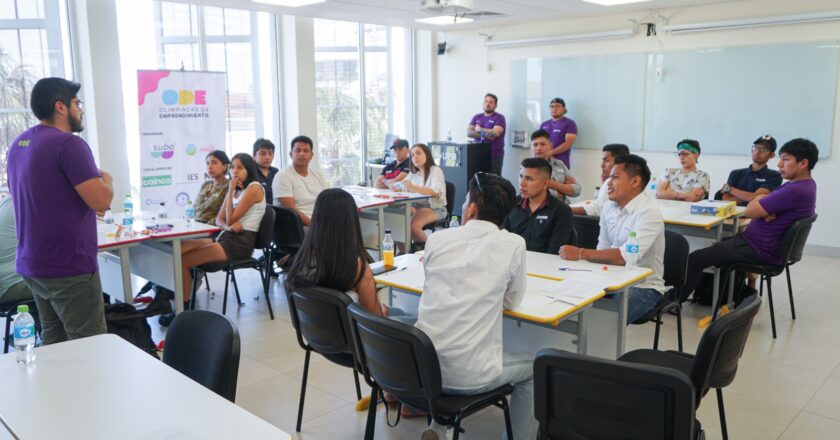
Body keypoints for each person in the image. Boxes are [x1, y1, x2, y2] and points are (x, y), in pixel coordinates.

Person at [415, 172, 534, 440]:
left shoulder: (437, 239)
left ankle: (439, 427)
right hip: (470, 376)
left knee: (436, 327)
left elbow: (435, 285)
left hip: (422, 368)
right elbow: (512, 301)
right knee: (533, 370)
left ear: (471, 208)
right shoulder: (514, 244)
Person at [6, 77, 112, 344]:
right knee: (90, 345)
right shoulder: (69, 145)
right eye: (77, 103)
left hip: (33, 264)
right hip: (68, 267)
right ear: (61, 107)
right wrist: (107, 180)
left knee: (54, 341)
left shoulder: (18, 145)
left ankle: (57, 388)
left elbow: (46, 195)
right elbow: (101, 202)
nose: (81, 109)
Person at [681, 138, 818, 305]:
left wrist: (758, 201)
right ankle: (727, 295)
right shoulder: (806, 185)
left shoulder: (794, 190)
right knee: (718, 244)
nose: (780, 164)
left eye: (786, 159)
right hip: (760, 246)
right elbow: (754, 203)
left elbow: (750, 210)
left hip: (756, 249)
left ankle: (674, 301)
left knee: (695, 258)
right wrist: (761, 202)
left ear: (803, 163)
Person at [558, 154, 668, 323]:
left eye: (615, 177)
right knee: (566, 300)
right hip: (610, 279)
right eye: (610, 177)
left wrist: (580, 253)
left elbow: (625, 257)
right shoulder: (609, 207)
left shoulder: (649, 212)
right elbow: (602, 250)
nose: (608, 182)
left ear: (635, 181)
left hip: (642, 287)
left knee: (602, 322)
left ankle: (593, 348)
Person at [159, 153, 266, 326]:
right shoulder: (237, 189)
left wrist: (230, 191)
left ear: (249, 169)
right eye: (232, 167)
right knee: (177, 251)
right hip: (226, 236)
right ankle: (166, 298)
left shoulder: (254, 188)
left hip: (240, 242)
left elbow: (230, 218)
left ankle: (182, 312)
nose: (234, 171)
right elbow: (220, 220)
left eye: (240, 167)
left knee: (183, 261)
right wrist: (228, 226)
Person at [285, 188, 386, 317]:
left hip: (319, 334)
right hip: (354, 334)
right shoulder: (357, 265)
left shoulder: (303, 259)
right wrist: (382, 309)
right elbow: (374, 316)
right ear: (351, 220)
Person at [503, 158, 573, 255]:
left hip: (544, 267)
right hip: (513, 263)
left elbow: (554, 253)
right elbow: (502, 241)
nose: (522, 184)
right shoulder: (511, 203)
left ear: (545, 183)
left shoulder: (561, 211)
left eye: (529, 179)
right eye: (521, 176)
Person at [390, 143, 447, 244]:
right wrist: (394, 186)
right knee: (396, 221)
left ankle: (425, 253)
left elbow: (435, 192)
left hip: (435, 209)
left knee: (413, 227)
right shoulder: (413, 173)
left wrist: (412, 187)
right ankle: (404, 253)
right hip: (415, 207)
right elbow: (402, 185)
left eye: (418, 153)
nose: (415, 156)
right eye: (412, 155)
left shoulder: (435, 170)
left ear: (427, 155)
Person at [273, 135, 329, 226]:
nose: (302, 154)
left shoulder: (318, 175)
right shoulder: (282, 176)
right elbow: (291, 210)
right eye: (298, 150)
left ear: (311, 155)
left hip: (319, 222)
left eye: (306, 151)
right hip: (297, 225)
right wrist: (315, 226)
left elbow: (327, 202)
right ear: (291, 154)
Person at [718, 135, 783, 205]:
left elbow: (756, 198)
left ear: (771, 155)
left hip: (756, 214)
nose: (758, 151)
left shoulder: (775, 175)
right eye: (756, 147)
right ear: (752, 150)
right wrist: (749, 197)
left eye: (764, 149)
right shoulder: (735, 173)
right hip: (733, 213)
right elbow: (726, 199)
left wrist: (730, 189)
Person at [572, 143, 630, 216]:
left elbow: (597, 209)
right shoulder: (629, 178)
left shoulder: (611, 181)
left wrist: (566, 209)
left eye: (606, 160)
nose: (602, 165)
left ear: (620, 162)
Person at [531, 129, 581, 202]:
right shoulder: (527, 167)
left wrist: (554, 185)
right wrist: (564, 189)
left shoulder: (559, 164)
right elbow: (539, 196)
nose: (538, 148)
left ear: (550, 146)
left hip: (564, 207)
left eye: (542, 144)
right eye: (535, 145)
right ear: (531, 147)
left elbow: (577, 190)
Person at [0, 197, 32, 304]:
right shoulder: (26, 204)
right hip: (15, 284)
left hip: (6, 284)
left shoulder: (7, 202)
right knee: (75, 285)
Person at [467, 93, 506, 175]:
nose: (488, 104)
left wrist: (480, 129)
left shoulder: (499, 118)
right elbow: (469, 133)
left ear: (495, 105)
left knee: (494, 181)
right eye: (486, 101)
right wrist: (487, 134)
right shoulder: (476, 117)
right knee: (478, 181)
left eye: (491, 102)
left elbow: (495, 134)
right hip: (478, 155)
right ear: (483, 104)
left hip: (494, 156)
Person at [539, 97, 578, 169]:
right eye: (552, 106)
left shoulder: (569, 123)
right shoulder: (544, 124)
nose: (554, 109)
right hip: (544, 163)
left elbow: (568, 143)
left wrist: (551, 152)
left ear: (564, 108)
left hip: (561, 164)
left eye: (557, 106)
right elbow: (538, 142)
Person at [194, 150, 231, 224]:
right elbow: (196, 208)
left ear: (225, 166)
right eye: (207, 163)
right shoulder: (206, 184)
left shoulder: (229, 185)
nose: (209, 167)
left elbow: (227, 214)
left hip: (214, 227)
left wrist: (208, 225)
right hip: (197, 224)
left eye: (214, 162)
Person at [253, 138, 279, 205]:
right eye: (263, 154)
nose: (267, 157)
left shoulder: (276, 172)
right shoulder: (250, 172)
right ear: (254, 156)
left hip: (277, 209)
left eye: (270, 154)